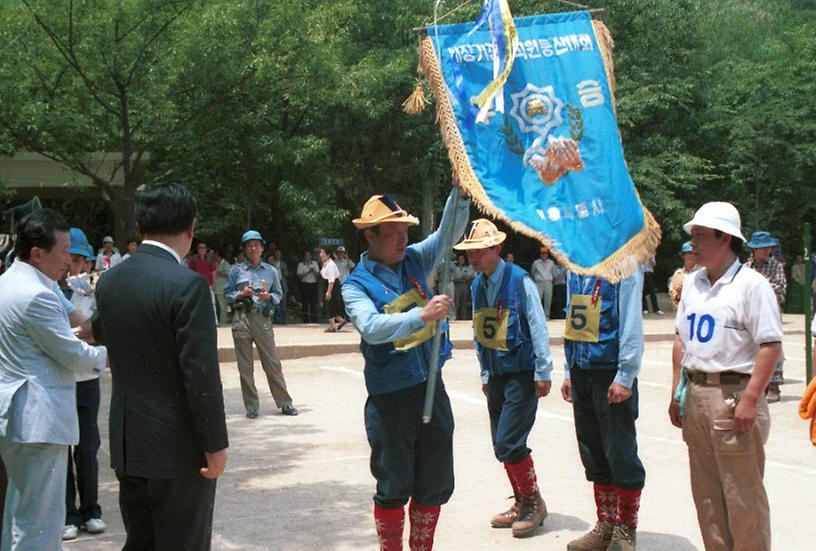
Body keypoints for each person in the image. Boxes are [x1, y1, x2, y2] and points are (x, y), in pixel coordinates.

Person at [92, 183, 229, 550]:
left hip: (127, 444)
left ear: (141, 227)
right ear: (191, 227)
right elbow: (199, 374)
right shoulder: (188, 286)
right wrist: (215, 444)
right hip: (178, 450)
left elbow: (102, 334)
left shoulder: (110, 281)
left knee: (142, 541)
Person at [342, 186, 469, 551]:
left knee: (435, 479)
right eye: (394, 233)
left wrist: (459, 195)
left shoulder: (415, 260)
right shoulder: (355, 286)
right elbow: (371, 327)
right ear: (370, 235)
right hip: (390, 400)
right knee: (393, 484)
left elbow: (447, 236)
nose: (402, 240)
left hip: (431, 387)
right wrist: (422, 315)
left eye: (405, 232)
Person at [668, 202, 782, 551]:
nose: (694, 244)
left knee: (743, 497)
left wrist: (750, 399)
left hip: (734, 397)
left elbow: (770, 345)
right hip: (698, 396)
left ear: (725, 238)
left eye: (701, 236)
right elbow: (680, 339)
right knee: (707, 497)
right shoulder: (692, 284)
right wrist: (676, 392)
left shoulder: (751, 285)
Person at [0, 210, 107, 550]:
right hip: (38, 422)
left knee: (19, 514)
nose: (68, 260)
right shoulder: (37, 295)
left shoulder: (9, 282)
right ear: (37, 253)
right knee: (40, 525)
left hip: (17, 418)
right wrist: (116, 354)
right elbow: (73, 355)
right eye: (63, 251)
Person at [455, 219, 553, 538]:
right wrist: (484, 371)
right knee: (501, 446)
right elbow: (478, 330)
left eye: (478, 251)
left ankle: (533, 502)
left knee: (510, 442)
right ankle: (522, 500)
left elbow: (538, 325)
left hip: (522, 373)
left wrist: (543, 370)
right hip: (496, 375)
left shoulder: (519, 279)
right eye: (469, 252)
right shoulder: (476, 285)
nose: (472, 257)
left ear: (496, 249)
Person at [561, 266, 645, 551]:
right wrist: (568, 371)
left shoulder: (624, 266)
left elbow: (631, 321)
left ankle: (626, 528)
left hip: (610, 373)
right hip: (581, 370)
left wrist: (626, 375)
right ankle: (606, 524)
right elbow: (572, 318)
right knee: (593, 452)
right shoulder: (573, 265)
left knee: (620, 452)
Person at [62, 228, 107, 540]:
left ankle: (91, 509)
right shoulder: (53, 290)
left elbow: (98, 331)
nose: (74, 266)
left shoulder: (94, 292)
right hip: (62, 379)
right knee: (62, 447)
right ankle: (67, 513)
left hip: (88, 379)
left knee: (87, 447)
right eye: (71, 259)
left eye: (80, 260)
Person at [224, 230, 298, 418]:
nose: (253, 247)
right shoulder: (236, 270)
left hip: (262, 319)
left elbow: (279, 294)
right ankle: (251, 406)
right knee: (245, 365)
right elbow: (227, 294)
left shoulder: (271, 271)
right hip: (242, 318)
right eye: (249, 245)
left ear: (262, 248)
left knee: (272, 362)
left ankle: (284, 403)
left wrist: (269, 296)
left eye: (256, 244)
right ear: (244, 249)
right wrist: (240, 294)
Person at [745, 231, 787, 403]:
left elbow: (781, 289)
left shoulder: (776, 266)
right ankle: (759, 386)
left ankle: (774, 387)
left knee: (774, 349)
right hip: (750, 314)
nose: (765, 251)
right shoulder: (745, 268)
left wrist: (759, 287)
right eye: (761, 248)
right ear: (754, 250)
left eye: (767, 248)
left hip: (771, 313)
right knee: (753, 350)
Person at [320, 246, 347, 332]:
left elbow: (331, 280)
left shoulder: (330, 264)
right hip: (328, 284)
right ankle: (341, 321)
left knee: (330, 305)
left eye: (322, 253)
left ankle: (333, 326)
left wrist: (329, 291)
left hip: (332, 286)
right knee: (331, 306)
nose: (320, 255)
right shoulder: (326, 263)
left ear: (327, 255)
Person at [668, 241, 698, 307]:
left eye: (695, 254)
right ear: (683, 255)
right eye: (689, 253)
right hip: (682, 310)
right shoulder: (678, 274)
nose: (692, 256)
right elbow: (672, 292)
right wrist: (678, 295)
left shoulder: (702, 272)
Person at [531, 247, 555, 318]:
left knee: (548, 299)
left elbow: (553, 272)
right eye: (542, 253)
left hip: (548, 282)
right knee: (538, 299)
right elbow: (533, 272)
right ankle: (537, 316)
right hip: (539, 282)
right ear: (540, 254)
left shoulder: (551, 263)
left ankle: (547, 315)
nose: (544, 255)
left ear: (547, 254)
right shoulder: (536, 263)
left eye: (545, 253)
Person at [297, 250, 320, 323]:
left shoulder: (315, 263)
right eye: (306, 255)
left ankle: (314, 319)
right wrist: (309, 271)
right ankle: (305, 320)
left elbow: (318, 275)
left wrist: (314, 271)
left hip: (313, 284)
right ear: (304, 257)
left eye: (309, 255)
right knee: (305, 303)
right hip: (305, 284)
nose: (308, 257)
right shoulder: (301, 264)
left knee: (314, 303)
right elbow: (300, 276)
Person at [452, 254, 475, 321]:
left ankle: (463, 318)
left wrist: (461, 279)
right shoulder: (455, 269)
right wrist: (461, 279)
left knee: (464, 302)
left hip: (464, 285)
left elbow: (468, 277)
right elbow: (454, 279)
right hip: (457, 286)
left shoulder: (466, 268)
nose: (461, 260)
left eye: (462, 259)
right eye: (460, 259)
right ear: (457, 260)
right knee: (456, 302)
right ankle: (455, 317)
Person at [214, 249, 232, 325]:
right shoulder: (215, 263)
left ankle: (223, 321)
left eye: (215, 254)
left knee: (223, 306)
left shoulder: (225, 263)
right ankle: (219, 321)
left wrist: (220, 273)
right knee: (217, 307)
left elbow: (230, 274)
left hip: (222, 288)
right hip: (216, 288)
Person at [272, 249, 289, 324]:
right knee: (276, 303)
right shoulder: (272, 263)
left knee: (283, 303)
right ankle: (277, 320)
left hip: (282, 283)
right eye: (276, 253)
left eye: (279, 253)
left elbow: (287, 274)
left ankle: (284, 321)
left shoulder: (283, 263)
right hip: (275, 284)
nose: (277, 255)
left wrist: (282, 270)